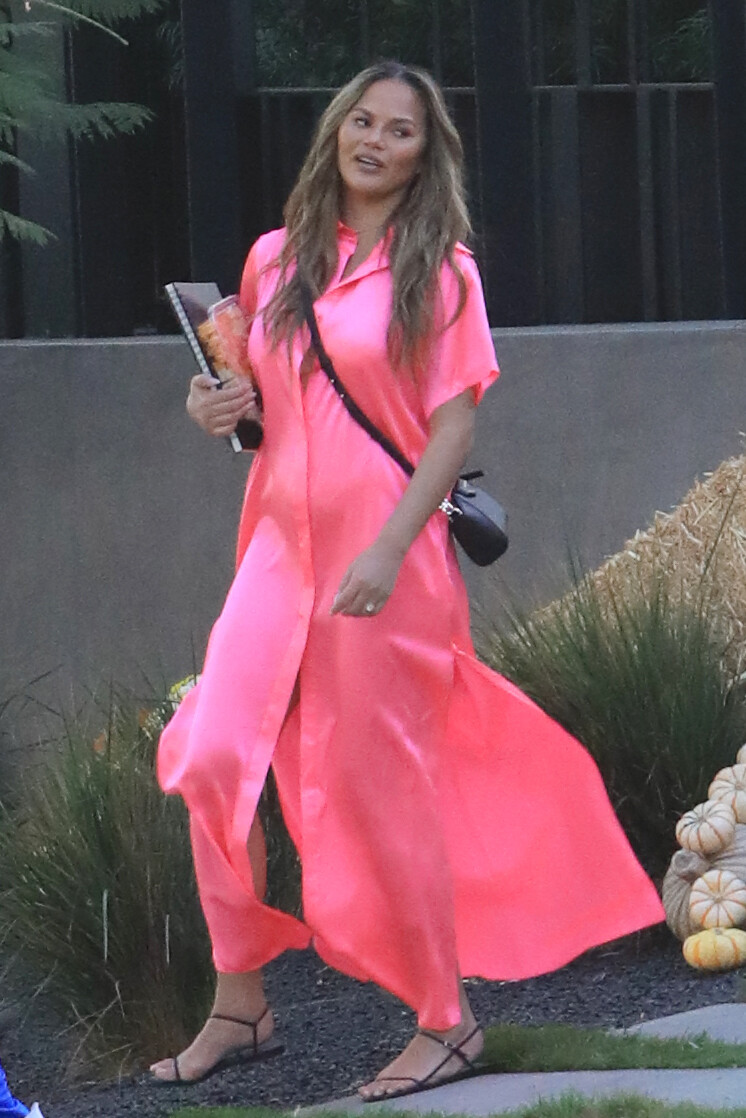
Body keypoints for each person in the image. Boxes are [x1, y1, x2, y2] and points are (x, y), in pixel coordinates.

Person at [151, 60, 664, 1099]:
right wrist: (217, 411)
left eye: (400, 130)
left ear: (426, 156)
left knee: (383, 789)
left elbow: (451, 428)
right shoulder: (274, 258)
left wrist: (389, 546)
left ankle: (444, 1018)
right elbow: (263, 412)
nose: (375, 140)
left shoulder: (443, 272)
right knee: (208, 754)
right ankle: (241, 1004)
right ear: (335, 131)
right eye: (363, 121)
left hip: (385, 554)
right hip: (275, 552)